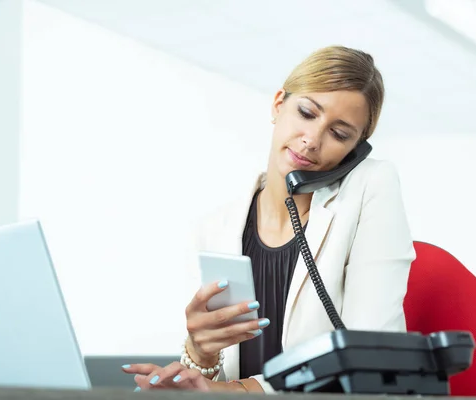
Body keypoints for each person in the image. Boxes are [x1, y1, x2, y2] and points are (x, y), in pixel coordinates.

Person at [123, 45, 415, 393]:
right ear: (279, 104)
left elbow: (372, 356)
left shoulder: (371, 187)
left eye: (339, 134)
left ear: (355, 151)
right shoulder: (214, 229)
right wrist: (199, 355)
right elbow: (215, 379)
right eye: (307, 113)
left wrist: (241, 391)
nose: (311, 140)